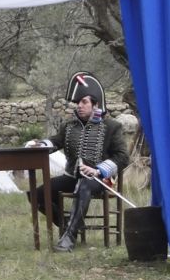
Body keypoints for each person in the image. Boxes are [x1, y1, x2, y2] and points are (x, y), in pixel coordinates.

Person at [29, 72, 129, 252]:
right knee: (36, 194)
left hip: (99, 179)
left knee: (85, 186)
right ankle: (68, 225)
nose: (79, 106)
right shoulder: (69, 126)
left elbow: (122, 156)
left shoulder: (112, 127)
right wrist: (40, 144)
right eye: (78, 103)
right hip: (72, 176)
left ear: (95, 104)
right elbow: (55, 141)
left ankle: (69, 237)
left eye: (84, 102)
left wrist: (98, 170)